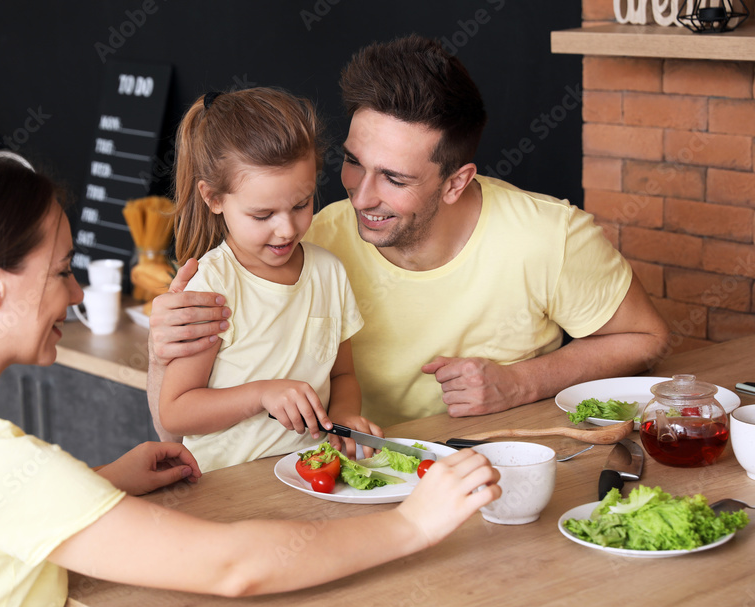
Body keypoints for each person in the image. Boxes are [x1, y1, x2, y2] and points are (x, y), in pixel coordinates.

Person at [0, 156, 501, 607]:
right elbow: (234, 567)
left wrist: (102, 482)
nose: (73, 294)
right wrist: (413, 522)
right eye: (62, 270)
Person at [147, 35, 670, 436]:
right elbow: (173, 421)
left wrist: (521, 382)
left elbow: (648, 339)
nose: (360, 196)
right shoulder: (313, 240)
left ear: (455, 182)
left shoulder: (550, 237)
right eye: (353, 163)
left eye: (394, 179)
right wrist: (158, 354)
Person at [158, 88, 378, 471]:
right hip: (225, 492)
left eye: (301, 204)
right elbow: (176, 412)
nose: (286, 229)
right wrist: (261, 394)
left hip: (307, 481)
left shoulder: (329, 272)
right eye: (262, 216)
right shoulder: (213, 286)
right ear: (213, 199)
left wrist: (344, 422)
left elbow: (343, 375)